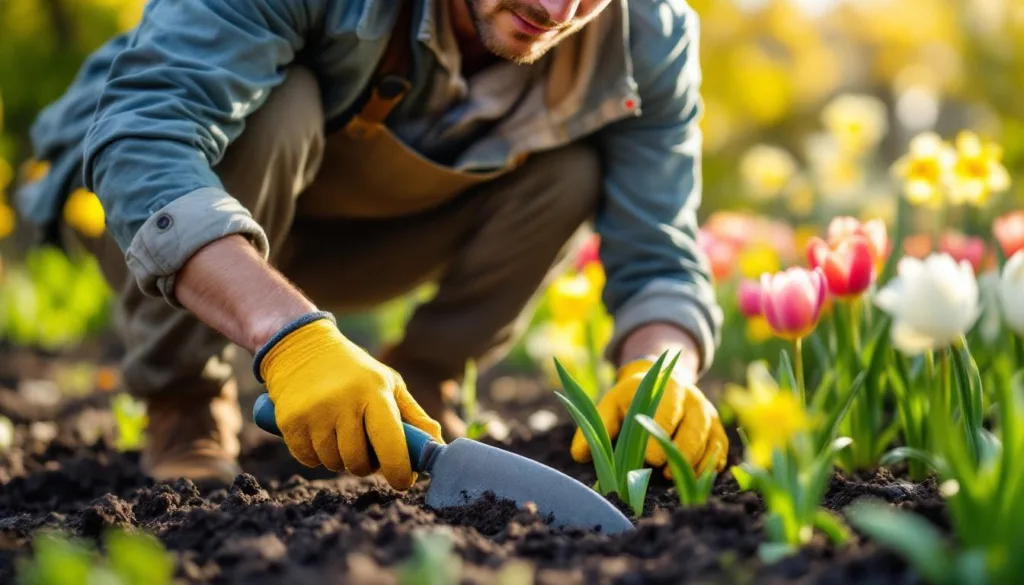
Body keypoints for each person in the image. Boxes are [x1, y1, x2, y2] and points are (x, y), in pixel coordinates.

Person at [14, 0, 728, 491]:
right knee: (283, 105)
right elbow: (142, 140)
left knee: (573, 168)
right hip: (165, 218)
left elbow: (659, 255)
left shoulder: (646, 37)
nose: (556, 10)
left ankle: (420, 386)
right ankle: (184, 401)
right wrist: (290, 339)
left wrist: (661, 373)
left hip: (368, 238)